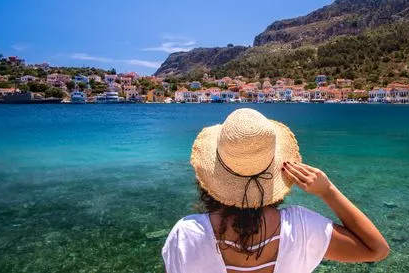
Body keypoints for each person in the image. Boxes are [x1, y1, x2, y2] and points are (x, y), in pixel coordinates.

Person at [162, 108, 389, 272]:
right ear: (278, 169)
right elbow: (376, 250)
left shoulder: (186, 236)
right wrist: (327, 191)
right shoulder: (302, 228)